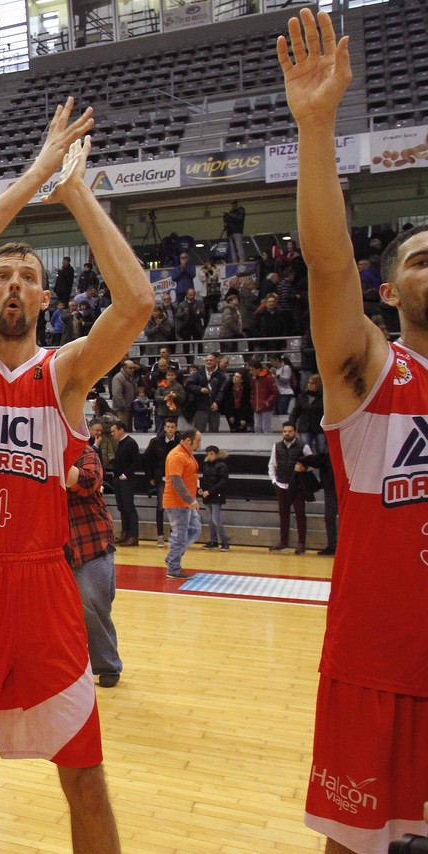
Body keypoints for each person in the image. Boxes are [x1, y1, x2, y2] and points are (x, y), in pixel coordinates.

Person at [0, 97, 146, 854]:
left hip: (39, 583)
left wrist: (75, 190)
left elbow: (137, 302)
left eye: (28, 277)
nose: (14, 284)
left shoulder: (66, 373)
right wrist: (34, 172)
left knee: (84, 771)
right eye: (3, 277)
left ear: (46, 299)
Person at [282, 11, 428, 850]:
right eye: (418, 259)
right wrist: (318, 127)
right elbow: (330, 262)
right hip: (377, 669)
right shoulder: (373, 373)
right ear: (390, 294)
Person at [66, 442, 123, 688]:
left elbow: (89, 480)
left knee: (93, 607)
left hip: (90, 543)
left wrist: (48, 462)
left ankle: (106, 665)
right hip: (54, 546)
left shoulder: (84, 451)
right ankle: (67, 668)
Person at [161, 427, 203, 579]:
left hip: (185, 502)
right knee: (180, 535)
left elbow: (189, 476)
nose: (199, 444)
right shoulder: (177, 456)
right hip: (177, 503)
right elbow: (176, 480)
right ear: (188, 440)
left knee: (195, 528)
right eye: (197, 441)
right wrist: (190, 499)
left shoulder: (187, 455)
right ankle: (173, 568)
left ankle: (173, 556)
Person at [267, 422, 312, 555]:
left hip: (297, 486)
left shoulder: (304, 446)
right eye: (285, 431)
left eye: (289, 431)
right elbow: (272, 465)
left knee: (300, 514)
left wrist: (305, 468)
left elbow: (312, 464)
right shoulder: (276, 446)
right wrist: (274, 481)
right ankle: (283, 542)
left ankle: (301, 544)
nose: (287, 433)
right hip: (281, 485)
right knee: (283, 514)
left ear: (295, 432)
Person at [144, 418, 180, 546]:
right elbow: (147, 459)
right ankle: (160, 535)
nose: (170, 429)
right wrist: (151, 477)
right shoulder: (156, 442)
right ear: (164, 428)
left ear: (176, 428)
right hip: (161, 479)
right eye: (168, 426)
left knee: (175, 509)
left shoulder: (180, 443)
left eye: (172, 427)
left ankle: (173, 536)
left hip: (176, 480)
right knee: (160, 507)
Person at [109, 421, 140, 546]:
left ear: (121, 430)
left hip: (126, 480)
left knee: (129, 507)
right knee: (121, 507)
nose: (112, 434)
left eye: (113, 431)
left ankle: (133, 536)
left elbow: (137, 462)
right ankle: (125, 533)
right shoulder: (120, 443)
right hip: (118, 479)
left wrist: (125, 474)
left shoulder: (131, 443)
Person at [199, 445, 231, 551]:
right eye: (207, 454)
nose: (209, 456)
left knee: (216, 519)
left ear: (216, 454)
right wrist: (200, 489)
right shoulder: (206, 465)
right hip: (207, 495)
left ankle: (225, 542)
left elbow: (223, 482)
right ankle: (213, 541)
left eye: (211, 454)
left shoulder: (222, 465)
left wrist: (210, 491)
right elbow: (203, 480)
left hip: (217, 496)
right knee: (210, 520)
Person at [187, 353, 228, 433]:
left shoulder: (221, 375)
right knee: (199, 432)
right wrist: (200, 389)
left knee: (214, 431)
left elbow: (222, 391)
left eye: (211, 360)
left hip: (215, 407)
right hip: (201, 406)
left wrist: (217, 402)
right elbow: (189, 385)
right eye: (207, 360)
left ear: (216, 361)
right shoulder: (198, 373)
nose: (209, 362)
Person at [290, 372, 326, 452]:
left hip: (319, 427)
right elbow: (295, 412)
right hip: (305, 427)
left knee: (321, 448)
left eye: (312, 383)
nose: (309, 385)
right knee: (306, 449)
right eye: (308, 383)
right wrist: (291, 424)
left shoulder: (324, 397)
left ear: (318, 384)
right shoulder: (302, 396)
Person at [247, 358, 279, 433]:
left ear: (258, 369)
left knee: (266, 428)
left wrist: (267, 402)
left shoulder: (268, 377)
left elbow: (275, 392)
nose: (251, 372)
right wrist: (252, 401)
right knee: (257, 427)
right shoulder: (253, 379)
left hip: (266, 407)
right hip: (256, 406)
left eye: (252, 370)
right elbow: (253, 392)